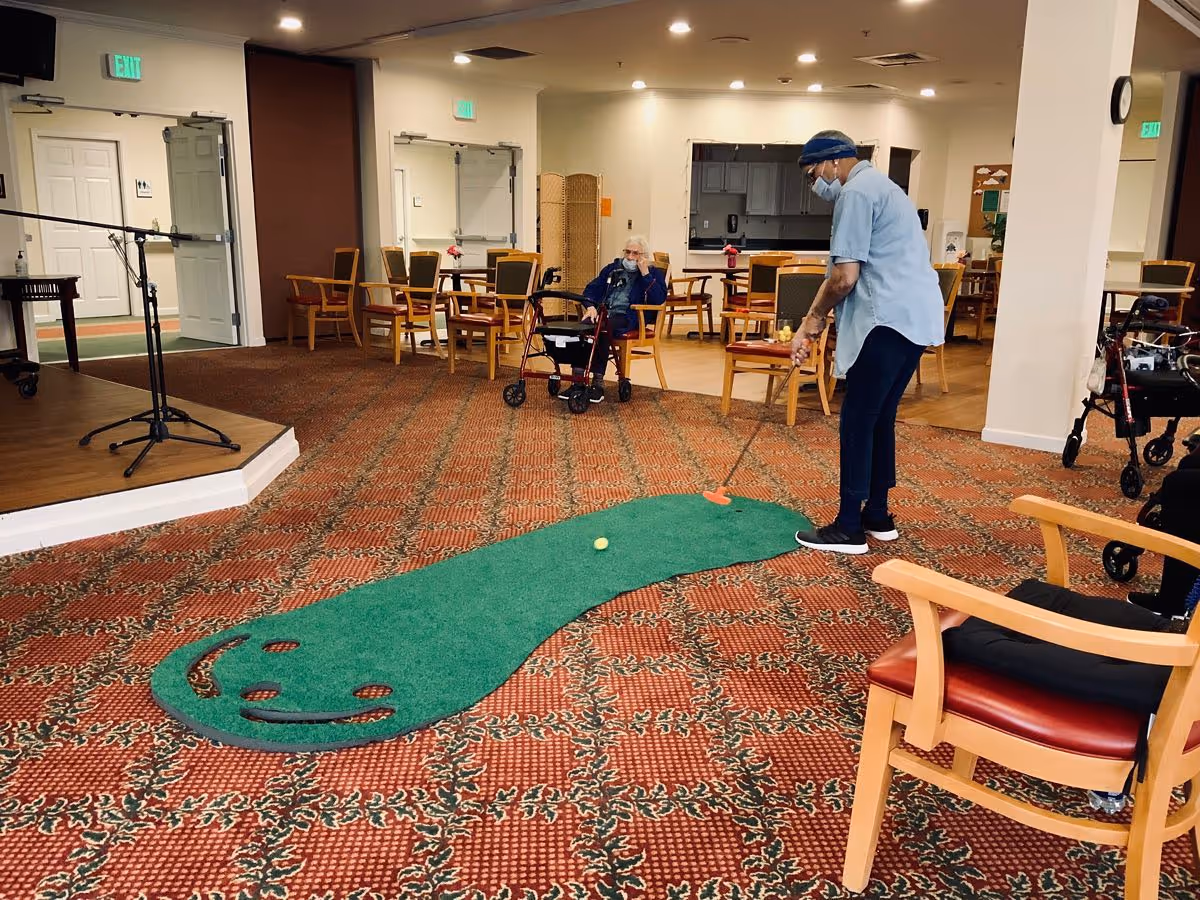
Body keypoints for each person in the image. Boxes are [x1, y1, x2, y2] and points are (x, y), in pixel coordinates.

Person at [790, 130, 945, 554]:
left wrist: (813, 319)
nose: (814, 183)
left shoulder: (855, 193)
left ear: (833, 162)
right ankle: (876, 514)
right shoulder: (886, 187)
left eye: (812, 173)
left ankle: (847, 526)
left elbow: (844, 277)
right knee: (879, 416)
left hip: (887, 320)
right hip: (914, 320)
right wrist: (815, 322)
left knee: (858, 417)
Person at [563, 235, 667, 404]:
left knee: (602, 330)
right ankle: (577, 381)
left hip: (628, 317)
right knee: (582, 329)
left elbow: (659, 299)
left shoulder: (652, 273)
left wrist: (645, 274)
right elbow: (591, 288)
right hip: (603, 312)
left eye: (635, 254)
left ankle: (598, 383)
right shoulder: (612, 268)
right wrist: (589, 306)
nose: (630, 257)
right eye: (628, 252)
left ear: (644, 256)